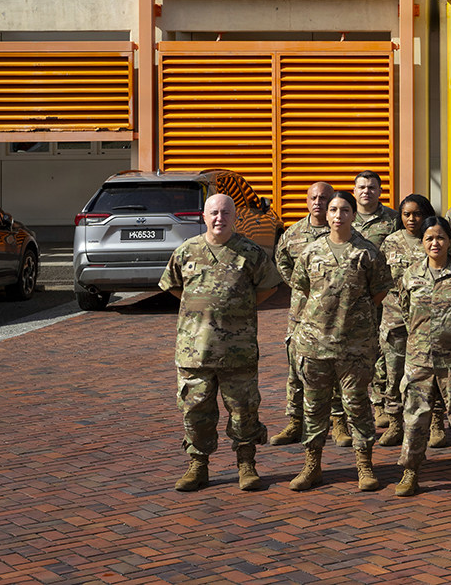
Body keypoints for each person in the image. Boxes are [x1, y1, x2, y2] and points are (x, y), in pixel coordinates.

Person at [161, 194, 282, 492]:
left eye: (225, 213)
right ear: (204, 216)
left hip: (237, 351)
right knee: (195, 411)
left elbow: (268, 287)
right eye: (214, 213)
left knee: (244, 409)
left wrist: (237, 307)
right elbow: (174, 287)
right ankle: (198, 465)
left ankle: (246, 464)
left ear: (235, 217)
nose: (219, 218)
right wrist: (202, 307)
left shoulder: (250, 253)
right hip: (195, 351)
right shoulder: (186, 251)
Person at [287, 191, 394, 492]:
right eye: (333, 209)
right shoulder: (311, 251)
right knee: (314, 407)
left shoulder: (367, 252)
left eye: (344, 210)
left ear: (352, 214)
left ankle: (364, 465)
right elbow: (304, 289)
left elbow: (379, 292)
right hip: (315, 343)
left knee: (357, 405)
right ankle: (312, 465)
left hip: (355, 346)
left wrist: (353, 315)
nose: (337, 215)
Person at [394, 215, 451, 500]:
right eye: (429, 238)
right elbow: (405, 311)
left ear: (450, 240)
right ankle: (410, 471)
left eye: (440, 237)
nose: (435, 243)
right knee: (415, 417)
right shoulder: (410, 275)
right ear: (422, 243)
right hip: (419, 359)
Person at [271, 181, 334, 446]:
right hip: (302, 313)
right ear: (307, 201)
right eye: (313, 197)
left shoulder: (341, 230)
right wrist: (301, 286)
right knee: (296, 368)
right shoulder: (293, 232)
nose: (318, 202)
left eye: (323, 198)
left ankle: (338, 422)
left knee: (337, 367)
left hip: (335, 315)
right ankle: (296, 421)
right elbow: (281, 260)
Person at [375, 194, 436, 449]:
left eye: (417, 213)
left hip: (427, 320)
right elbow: (377, 278)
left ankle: (435, 424)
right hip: (395, 319)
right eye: (406, 214)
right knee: (394, 373)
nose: (412, 219)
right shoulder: (390, 242)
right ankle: (395, 424)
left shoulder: (434, 239)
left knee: (429, 374)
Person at [353, 170, 399, 248]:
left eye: (371, 188)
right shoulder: (344, 215)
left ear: (380, 191)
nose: (366, 191)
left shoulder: (394, 218)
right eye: (362, 187)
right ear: (354, 191)